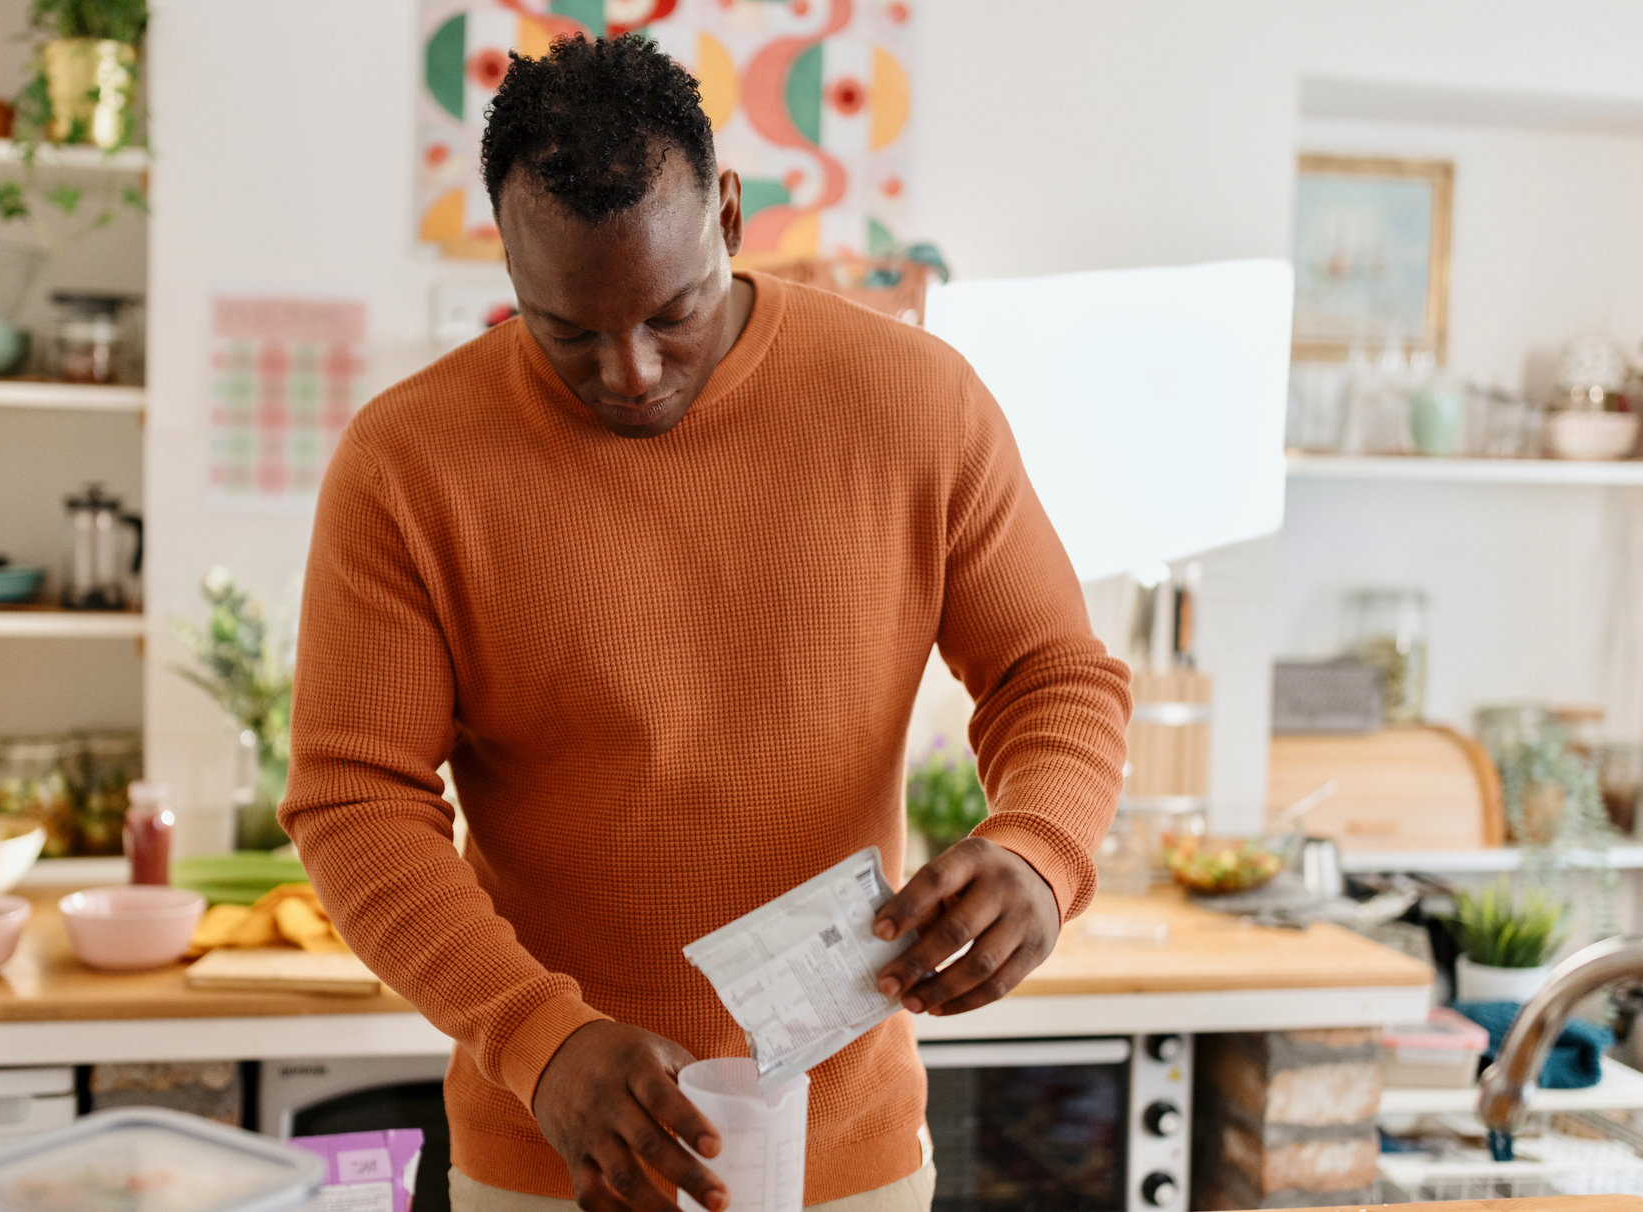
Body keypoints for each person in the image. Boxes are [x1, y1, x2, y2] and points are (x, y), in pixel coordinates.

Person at [284, 33, 1130, 1212]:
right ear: (509, 258)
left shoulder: (913, 403)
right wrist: (538, 1040)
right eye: (566, 329)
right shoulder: (406, 464)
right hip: (552, 1162)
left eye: (670, 311)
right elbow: (354, 798)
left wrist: (1041, 848)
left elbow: (1053, 674)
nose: (629, 372)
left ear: (727, 211)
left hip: (851, 1162)